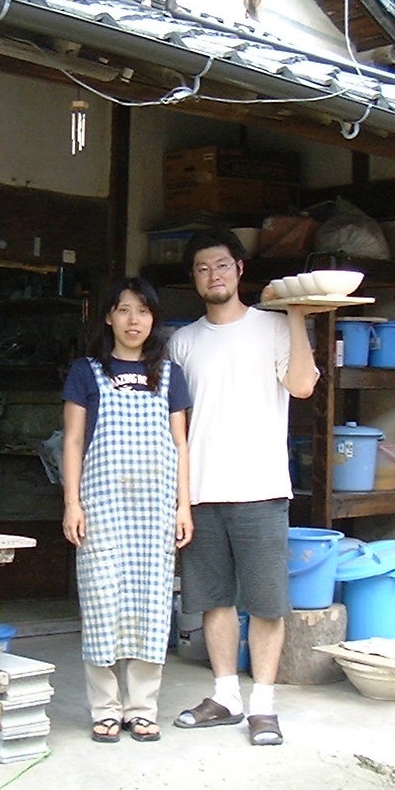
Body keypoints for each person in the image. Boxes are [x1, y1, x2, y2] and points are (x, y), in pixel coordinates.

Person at [167, 227, 319, 746]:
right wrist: (179, 498)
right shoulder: (183, 341)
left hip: (260, 488)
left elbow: (301, 385)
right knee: (213, 601)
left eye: (222, 266)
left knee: (268, 602)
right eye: (203, 268)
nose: (214, 275)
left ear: (239, 270)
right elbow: (176, 428)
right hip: (202, 492)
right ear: (194, 278)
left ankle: (264, 705)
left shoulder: (274, 327)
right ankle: (226, 695)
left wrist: (296, 315)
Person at [62, 276, 193, 743]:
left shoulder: (170, 375)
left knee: (150, 603)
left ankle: (141, 707)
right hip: (101, 505)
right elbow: (74, 442)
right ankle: (104, 707)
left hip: (155, 508)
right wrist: (72, 503)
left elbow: (180, 443)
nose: (133, 320)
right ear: (108, 317)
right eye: (123, 310)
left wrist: (184, 506)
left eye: (142, 310)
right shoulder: (86, 371)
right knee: (101, 601)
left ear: (153, 319)